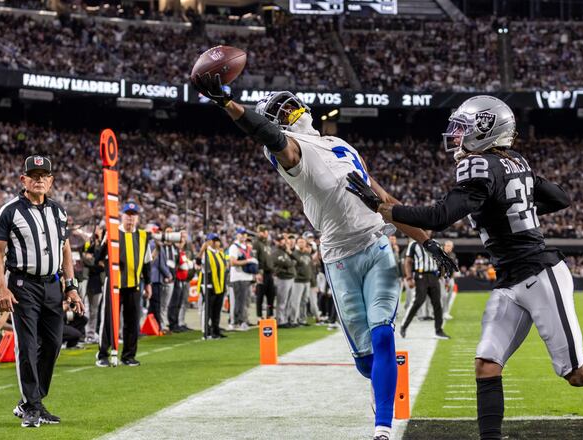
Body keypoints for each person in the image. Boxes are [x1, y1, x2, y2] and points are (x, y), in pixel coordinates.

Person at [345, 95, 583, 440]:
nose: (455, 136)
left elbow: (438, 217)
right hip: (510, 279)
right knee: (486, 364)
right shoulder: (514, 162)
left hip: (538, 273)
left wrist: (382, 206)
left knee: (578, 373)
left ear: (485, 130)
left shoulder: (480, 165)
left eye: (462, 128)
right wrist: (516, 207)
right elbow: (561, 197)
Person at [190, 77, 456, 440]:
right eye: (279, 112)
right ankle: (380, 384)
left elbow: (386, 201)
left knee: (383, 337)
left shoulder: (338, 142)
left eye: (289, 104)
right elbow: (268, 135)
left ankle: (382, 427)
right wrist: (228, 104)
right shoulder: (290, 151)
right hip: (340, 258)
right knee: (367, 361)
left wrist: (426, 241)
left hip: (378, 246)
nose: (290, 111)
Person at [0, 155, 85, 427]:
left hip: (53, 284)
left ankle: (32, 401)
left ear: (51, 181)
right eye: (34, 175)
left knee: (53, 344)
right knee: (28, 345)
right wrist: (1, 287)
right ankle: (31, 406)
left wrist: (72, 286)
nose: (39, 179)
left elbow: (65, 249)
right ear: (24, 180)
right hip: (23, 284)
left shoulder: (59, 212)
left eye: (44, 175)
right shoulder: (10, 210)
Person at [95, 201, 152, 368]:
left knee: (132, 321)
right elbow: (98, 258)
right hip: (114, 284)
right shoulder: (112, 233)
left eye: (134, 216)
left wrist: (148, 283)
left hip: (134, 284)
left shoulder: (142, 236)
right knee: (108, 320)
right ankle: (102, 354)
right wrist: (104, 243)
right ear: (122, 216)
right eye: (128, 216)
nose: (130, 219)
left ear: (138, 218)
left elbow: (147, 262)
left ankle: (128, 355)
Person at [399, 232, 450, 340]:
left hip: (433, 276)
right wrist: (409, 278)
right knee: (418, 301)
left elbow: (441, 259)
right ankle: (404, 326)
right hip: (420, 276)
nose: (427, 231)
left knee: (437, 303)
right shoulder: (413, 244)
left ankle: (438, 330)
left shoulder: (436, 244)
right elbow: (408, 261)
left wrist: (442, 274)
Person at [228, 227, 256, 331]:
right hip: (238, 277)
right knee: (239, 301)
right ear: (237, 235)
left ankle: (242, 320)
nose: (244, 236)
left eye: (245, 234)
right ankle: (237, 322)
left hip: (247, 277)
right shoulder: (234, 247)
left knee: (245, 301)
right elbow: (232, 262)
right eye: (241, 234)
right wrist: (248, 261)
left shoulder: (246, 247)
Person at [200, 233, 227, 339]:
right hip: (209, 285)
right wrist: (202, 250)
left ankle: (215, 330)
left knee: (217, 309)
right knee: (208, 309)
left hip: (219, 285)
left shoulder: (219, 253)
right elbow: (200, 264)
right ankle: (206, 330)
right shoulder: (206, 253)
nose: (216, 242)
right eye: (213, 240)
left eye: (217, 240)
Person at [82, 225, 105, 343]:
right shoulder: (89, 243)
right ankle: (86, 333)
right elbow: (86, 258)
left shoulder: (103, 244)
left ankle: (91, 333)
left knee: (94, 310)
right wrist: (96, 263)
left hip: (97, 281)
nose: (97, 231)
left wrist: (93, 261)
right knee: (87, 308)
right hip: (87, 279)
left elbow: (102, 263)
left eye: (99, 229)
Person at [168, 232, 192, 332]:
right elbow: (175, 264)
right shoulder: (175, 251)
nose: (182, 243)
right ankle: (172, 324)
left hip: (183, 279)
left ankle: (176, 322)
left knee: (179, 302)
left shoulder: (182, 252)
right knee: (174, 302)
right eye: (180, 241)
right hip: (177, 279)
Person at [273, 232, 297, 327]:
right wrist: (289, 264)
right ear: (276, 242)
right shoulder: (275, 252)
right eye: (280, 241)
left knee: (288, 301)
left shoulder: (285, 251)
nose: (282, 242)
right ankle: (280, 320)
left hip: (290, 278)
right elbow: (289, 264)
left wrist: (288, 248)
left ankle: (286, 319)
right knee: (282, 301)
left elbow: (295, 260)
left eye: (283, 241)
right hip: (282, 278)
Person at [252, 225, 275, 319]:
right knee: (260, 295)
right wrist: (257, 272)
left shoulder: (267, 243)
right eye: (263, 231)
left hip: (269, 273)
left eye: (266, 231)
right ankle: (259, 316)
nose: (265, 233)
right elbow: (254, 258)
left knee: (271, 295)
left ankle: (269, 314)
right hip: (261, 272)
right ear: (259, 232)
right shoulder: (256, 243)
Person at [293, 236, 315, 325]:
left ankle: (302, 319)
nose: (301, 244)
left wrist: (313, 281)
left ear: (305, 244)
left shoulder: (307, 254)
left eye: (303, 242)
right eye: (300, 242)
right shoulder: (294, 254)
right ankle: (294, 320)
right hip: (298, 281)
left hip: (307, 281)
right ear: (297, 244)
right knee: (296, 301)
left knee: (304, 301)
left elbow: (311, 268)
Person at [440, 240, 458, 320]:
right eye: (447, 245)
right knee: (443, 296)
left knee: (449, 295)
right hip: (441, 278)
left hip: (450, 278)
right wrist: (443, 278)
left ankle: (445, 312)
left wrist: (452, 278)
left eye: (450, 246)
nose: (448, 247)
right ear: (444, 246)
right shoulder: (440, 254)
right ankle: (441, 312)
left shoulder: (453, 255)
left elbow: (454, 267)